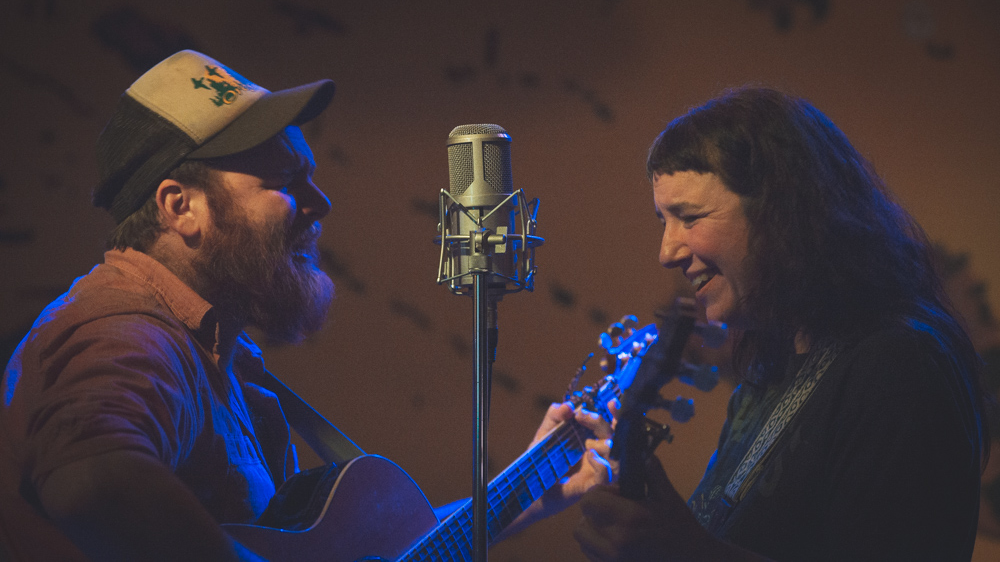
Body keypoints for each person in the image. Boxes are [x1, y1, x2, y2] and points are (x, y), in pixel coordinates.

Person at [0, 50, 614, 561]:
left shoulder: (216, 350)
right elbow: (93, 485)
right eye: (284, 183)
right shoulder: (124, 333)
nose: (319, 204)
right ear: (179, 206)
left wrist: (531, 490)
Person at [574, 87, 990, 561]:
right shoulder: (765, 376)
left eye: (689, 217)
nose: (666, 252)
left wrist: (687, 550)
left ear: (781, 214)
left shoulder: (900, 365)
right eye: (663, 221)